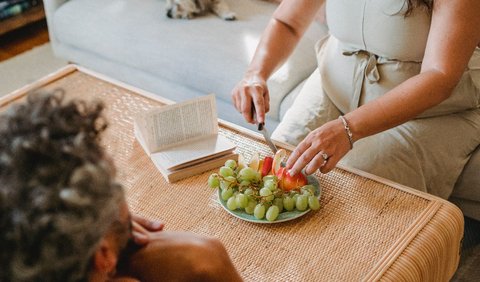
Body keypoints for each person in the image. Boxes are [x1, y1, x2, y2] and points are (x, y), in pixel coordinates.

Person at [231, 0, 480, 212]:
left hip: (429, 111)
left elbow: (440, 76)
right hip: (333, 89)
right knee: (277, 166)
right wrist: (255, 73)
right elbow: (288, 22)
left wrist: (348, 128)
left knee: (350, 194)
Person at [0, 92, 242, 282]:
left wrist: (92, 233)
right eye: (115, 188)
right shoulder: (204, 261)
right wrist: (212, 262)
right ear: (103, 257)